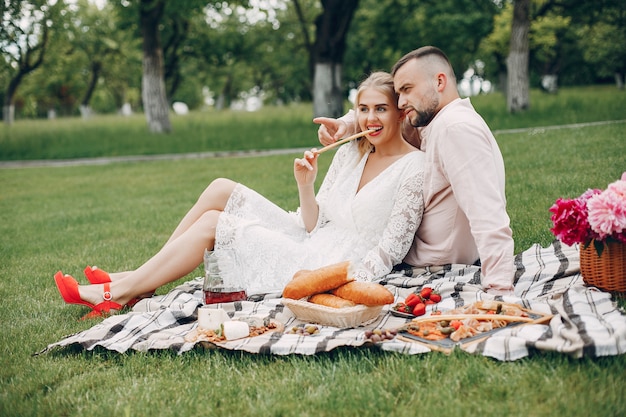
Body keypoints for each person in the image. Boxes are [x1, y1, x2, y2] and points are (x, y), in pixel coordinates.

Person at [54, 71, 426, 319]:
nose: (370, 119)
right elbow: (313, 222)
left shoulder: (414, 167)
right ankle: (139, 279)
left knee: (215, 225)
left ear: (399, 114)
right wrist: (306, 183)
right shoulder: (351, 150)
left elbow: (389, 251)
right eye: (363, 109)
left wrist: (341, 283)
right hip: (309, 235)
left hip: (328, 263)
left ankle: (119, 292)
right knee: (220, 187)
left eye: (381, 109)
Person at [315, 46, 515, 295]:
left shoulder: (455, 129)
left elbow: (489, 217)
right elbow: (386, 116)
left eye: (407, 90)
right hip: (409, 258)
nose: (400, 102)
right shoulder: (433, 120)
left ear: (439, 81)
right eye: (398, 94)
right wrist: (346, 124)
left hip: (433, 270)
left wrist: (499, 290)